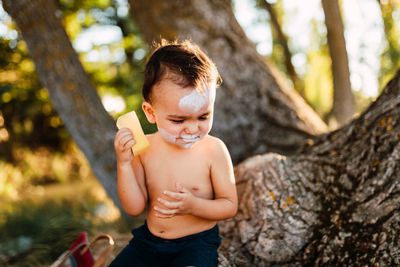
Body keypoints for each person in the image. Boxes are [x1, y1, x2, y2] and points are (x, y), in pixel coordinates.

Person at [110, 40, 238, 267]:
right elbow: (134, 208)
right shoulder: (144, 149)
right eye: (178, 120)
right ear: (151, 112)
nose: (191, 128)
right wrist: (124, 164)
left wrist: (193, 206)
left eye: (203, 117)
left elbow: (229, 205)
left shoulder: (213, 150)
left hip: (195, 244)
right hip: (148, 244)